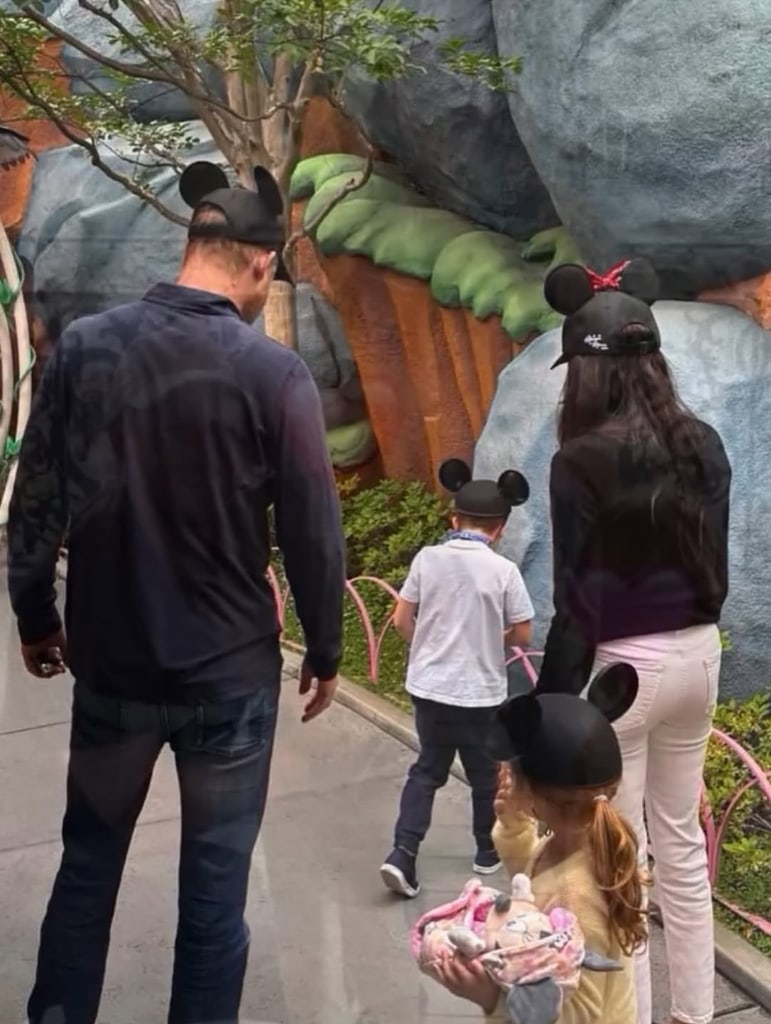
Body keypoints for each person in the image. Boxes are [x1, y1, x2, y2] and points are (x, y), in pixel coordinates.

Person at [8, 160, 346, 1024]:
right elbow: (312, 529)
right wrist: (327, 648)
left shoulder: (85, 346)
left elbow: (36, 493)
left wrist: (36, 616)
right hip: (228, 679)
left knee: (86, 868)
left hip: (113, 667)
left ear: (192, 244)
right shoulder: (274, 375)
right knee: (214, 897)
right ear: (260, 264)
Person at [535, 258, 731, 1024]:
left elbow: (575, 605)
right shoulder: (703, 443)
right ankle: (694, 1015)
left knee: (622, 867)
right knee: (680, 847)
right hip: (697, 658)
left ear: (582, 374)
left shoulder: (576, 461)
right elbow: (713, 567)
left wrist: (546, 717)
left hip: (625, 673)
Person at [428, 663, 647, 1024]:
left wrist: (490, 997)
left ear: (532, 790)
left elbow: (579, 1015)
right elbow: (531, 885)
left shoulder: (575, 896)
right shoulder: (580, 845)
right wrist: (514, 823)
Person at [380, 456, 534, 898]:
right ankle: (487, 853)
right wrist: (490, 638)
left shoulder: (428, 558)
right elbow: (522, 631)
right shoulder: (503, 571)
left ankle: (402, 855)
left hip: (429, 688)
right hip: (480, 693)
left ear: (454, 518)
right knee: (486, 775)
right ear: (500, 527)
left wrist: (425, 648)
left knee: (428, 769)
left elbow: (401, 619)